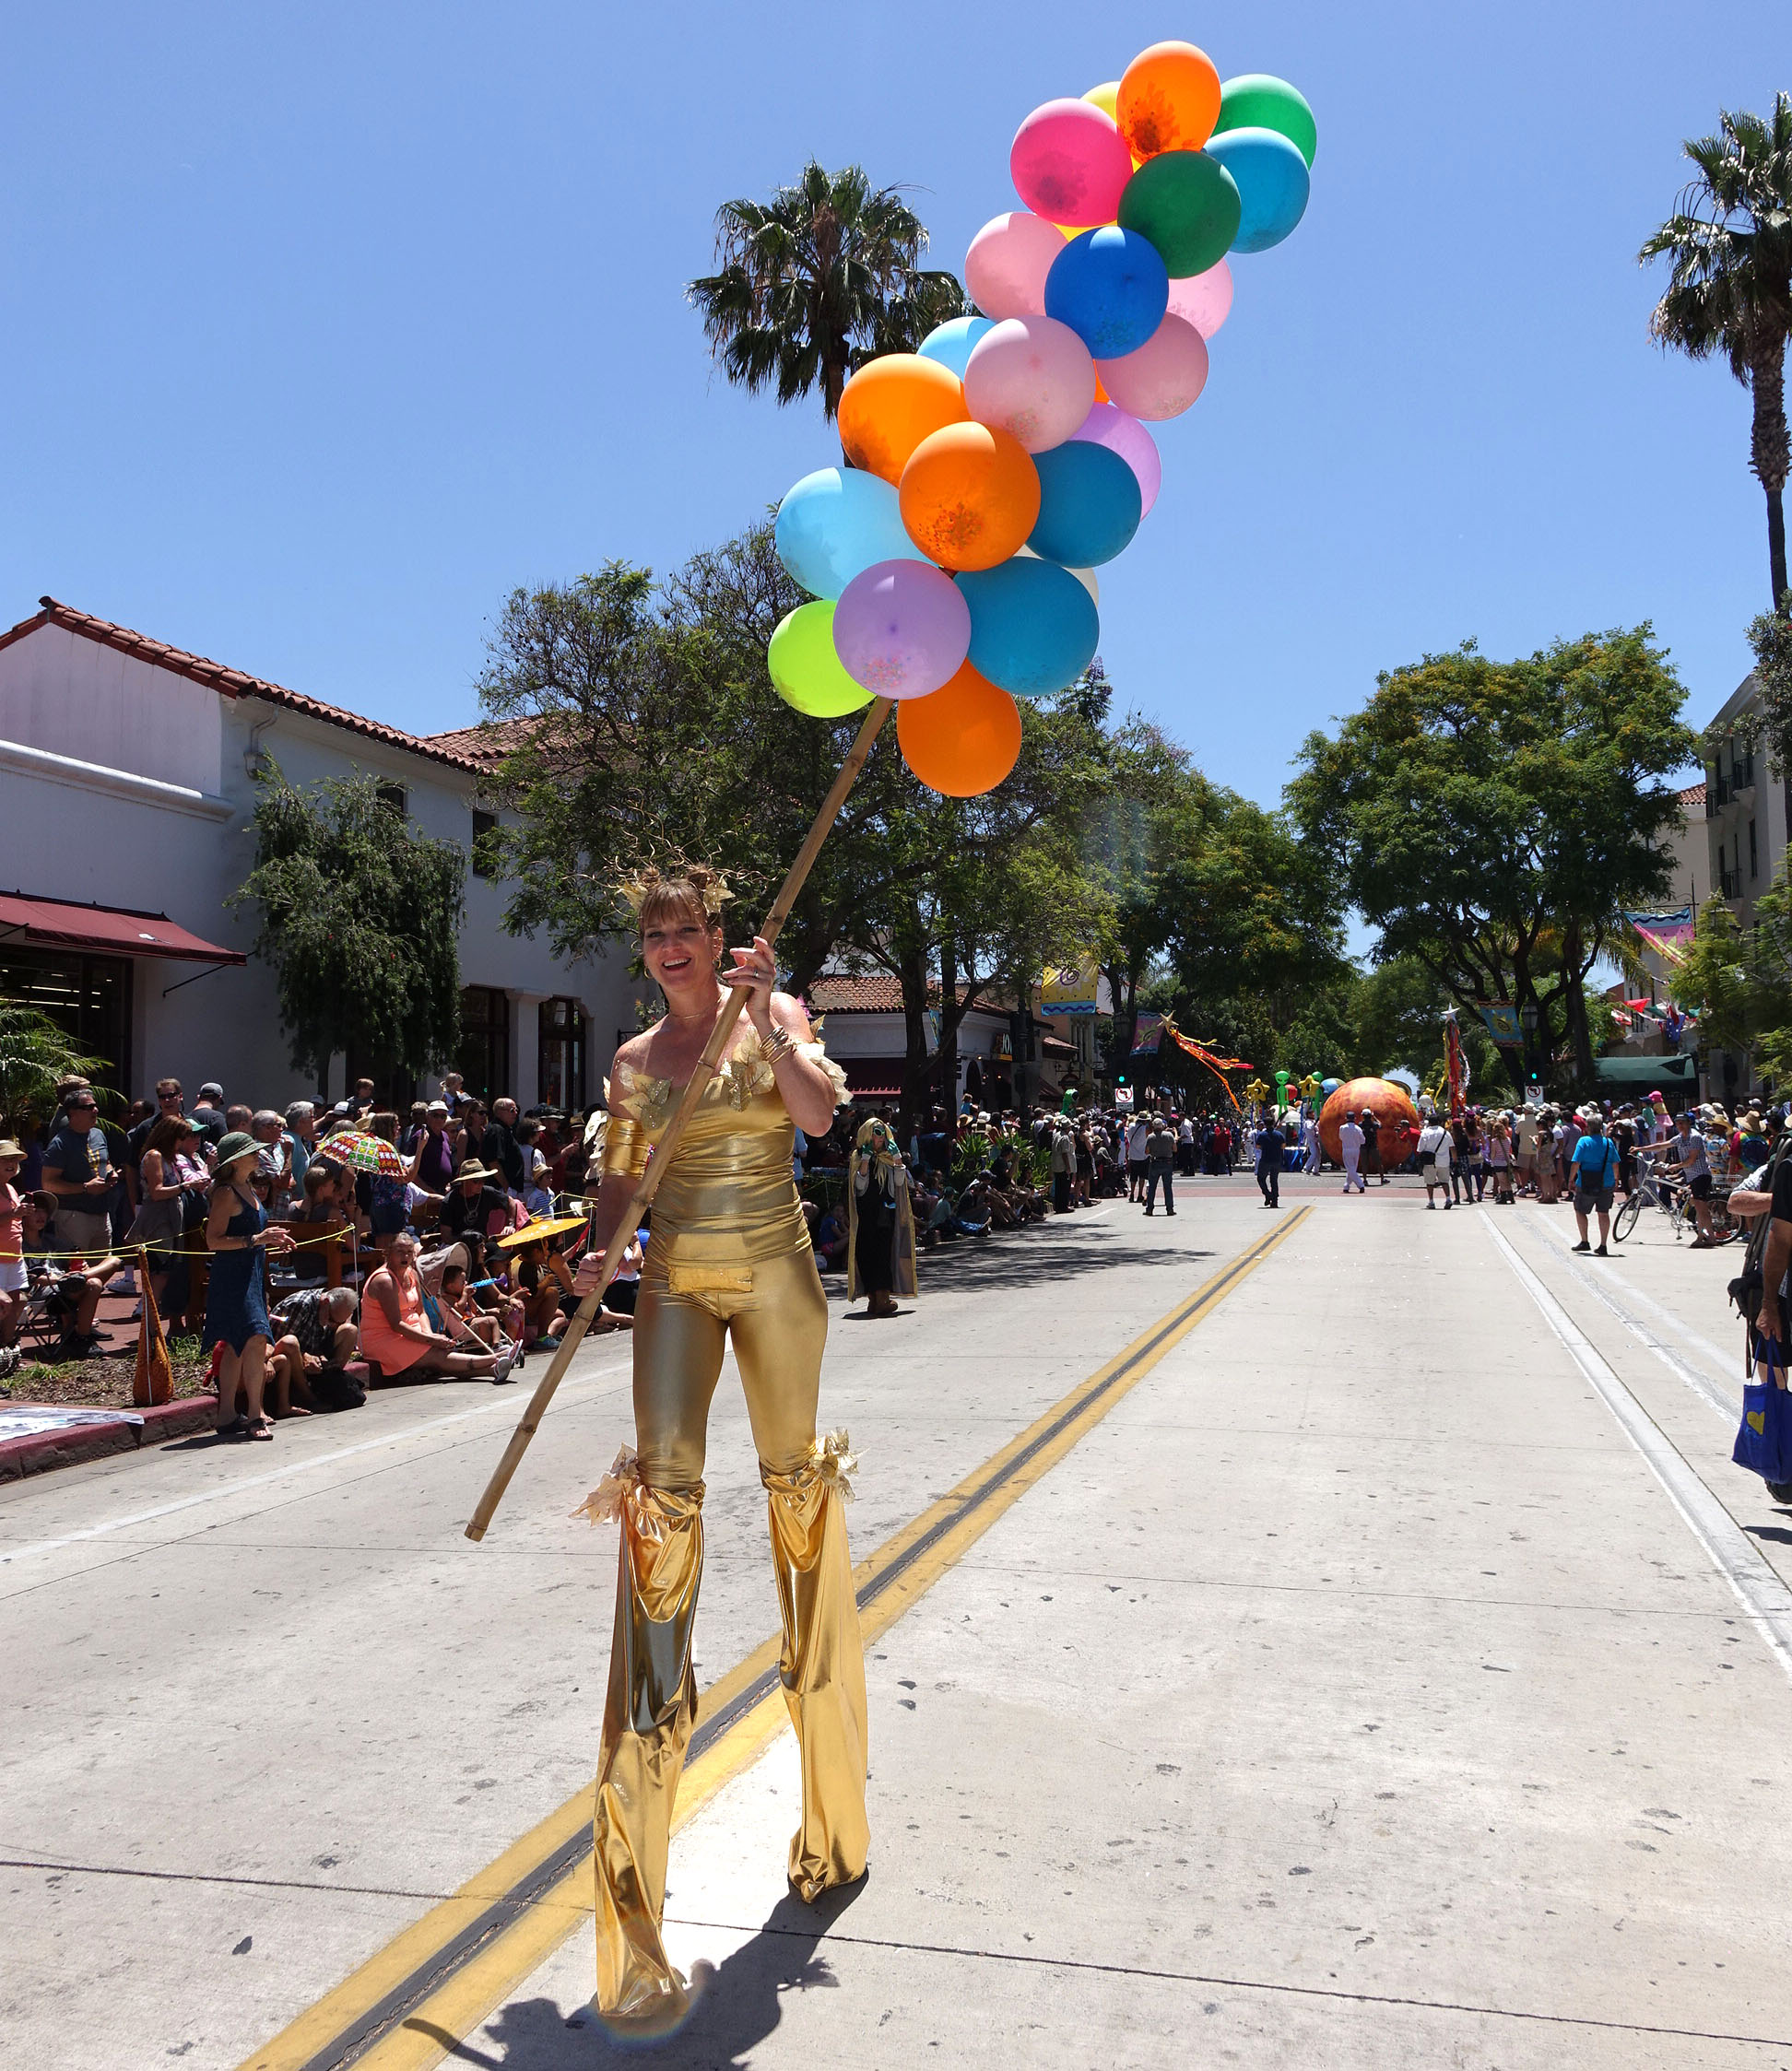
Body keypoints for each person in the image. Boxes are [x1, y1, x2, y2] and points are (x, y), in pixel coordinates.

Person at [568, 864, 865, 2029]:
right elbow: (618, 1186)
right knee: (662, 1518)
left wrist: (767, 1014)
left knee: (798, 1493)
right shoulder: (637, 1064)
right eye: (654, 934)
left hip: (781, 1276)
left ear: (722, 936)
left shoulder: (773, 1016)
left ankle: (833, 1813)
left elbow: (816, 1115)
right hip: (678, 1284)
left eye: (687, 929)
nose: (670, 947)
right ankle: (633, 1879)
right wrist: (598, 1255)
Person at [203, 1132, 297, 1440]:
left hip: (252, 1272)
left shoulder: (249, 1189)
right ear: (234, 1160)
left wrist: (271, 1240)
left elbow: (251, 1236)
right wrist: (256, 1240)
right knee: (253, 1338)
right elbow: (213, 1240)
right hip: (232, 1277)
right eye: (251, 1152)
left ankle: (228, 1413)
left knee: (240, 1342)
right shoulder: (226, 1193)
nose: (258, 1156)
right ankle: (255, 1414)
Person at [360, 1229, 515, 1382]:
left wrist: (429, 1335)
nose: (405, 1256)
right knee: (437, 1356)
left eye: (409, 1252)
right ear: (388, 1253)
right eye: (400, 1252)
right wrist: (430, 1340)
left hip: (412, 1332)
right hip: (384, 1340)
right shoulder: (384, 1281)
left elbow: (421, 1312)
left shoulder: (412, 1273)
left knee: (437, 1353)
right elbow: (396, 1325)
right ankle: (496, 1357)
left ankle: (491, 1370)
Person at [848, 1116, 918, 1314]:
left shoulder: (888, 1157)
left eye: (882, 1133)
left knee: (884, 1254)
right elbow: (859, 1188)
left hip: (885, 1214)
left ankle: (883, 1298)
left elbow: (899, 1183)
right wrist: (865, 1161)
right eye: (875, 1133)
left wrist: (897, 1160)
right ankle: (873, 1299)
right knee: (866, 1255)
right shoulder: (858, 1157)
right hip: (865, 1216)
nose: (879, 1138)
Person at [41, 1088, 121, 1263]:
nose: (95, 1110)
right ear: (72, 1113)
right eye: (88, 1107)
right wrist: (85, 1188)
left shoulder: (98, 1134)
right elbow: (48, 1183)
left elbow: (105, 1161)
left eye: (95, 1106)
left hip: (102, 1213)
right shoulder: (60, 1143)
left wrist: (111, 1172)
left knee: (101, 1266)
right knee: (75, 1273)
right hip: (74, 1216)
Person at [1661, 1107, 1719, 1246]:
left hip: (1700, 1176)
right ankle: (1710, 1238)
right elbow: (1663, 1145)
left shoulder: (1695, 1137)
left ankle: (1702, 1238)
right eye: (1678, 1123)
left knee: (1701, 1210)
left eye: (1683, 1123)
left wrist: (1677, 1166)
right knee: (1699, 1208)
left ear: (1688, 1123)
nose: (1680, 1125)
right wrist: (1640, 1149)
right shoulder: (1680, 1138)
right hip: (1692, 1177)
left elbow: (1691, 1160)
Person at [1570, 1110, 1619, 1255]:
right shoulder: (1609, 1143)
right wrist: (1616, 1180)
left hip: (1586, 1182)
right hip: (1607, 1181)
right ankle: (1603, 1244)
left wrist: (1571, 1179)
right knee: (1603, 1212)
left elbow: (1576, 1162)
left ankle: (1585, 1241)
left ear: (1588, 1127)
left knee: (1580, 1210)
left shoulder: (1584, 1141)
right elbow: (1616, 1163)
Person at [0, 1140, 25, 1346]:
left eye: (14, 1160)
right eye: (5, 1160)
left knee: (18, 1301)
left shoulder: (10, 1188)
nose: (11, 1163)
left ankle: (7, 1348)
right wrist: (13, 1214)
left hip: (15, 1256)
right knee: (2, 1304)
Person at [1416, 1114, 1453, 1208]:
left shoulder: (1425, 1133)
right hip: (1444, 1160)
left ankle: (1431, 1201)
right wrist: (1455, 1160)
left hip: (1429, 1161)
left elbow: (1420, 1149)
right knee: (1445, 1181)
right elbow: (1452, 1147)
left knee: (1430, 1182)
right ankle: (1448, 1199)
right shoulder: (1445, 1133)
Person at [1143, 1112, 1176, 1216]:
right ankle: (1169, 1208)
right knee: (1167, 1187)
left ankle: (1150, 1209)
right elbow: (1175, 1149)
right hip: (1167, 1162)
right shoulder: (1169, 1135)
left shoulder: (1150, 1137)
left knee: (1152, 1187)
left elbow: (1147, 1151)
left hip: (1155, 1162)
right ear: (1162, 1126)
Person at [1256, 1111, 1284, 1209]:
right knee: (1274, 1180)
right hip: (1276, 1159)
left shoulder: (1262, 1135)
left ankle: (1268, 1194)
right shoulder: (1279, 1134)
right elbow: (1283, 1146)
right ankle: (1275, 1200)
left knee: (1261, 1178)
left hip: (1266, 1159)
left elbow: (1258, 1146)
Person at [1048, 1117, 1076, 1215]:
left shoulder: (1056, 1135)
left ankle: (1058, 1206)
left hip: (1056, 1165)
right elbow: (1064, 1153)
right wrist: (1068, 1167)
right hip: (1062, 1166)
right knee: (1064, 1187)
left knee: (1059, 1186)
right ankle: (1063, 1206)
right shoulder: (1064, 1137)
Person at [1339, 1111, 1366, 1194]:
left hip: (1347, 1149)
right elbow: (1363, 1141)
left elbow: (1341, 1138)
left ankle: (1360, 1185)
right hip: (1356, 1150)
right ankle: (1346, 1186)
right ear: (1354, 1118)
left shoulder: (1342, 1128)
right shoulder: (1358, 1128)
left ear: (1346, 1118)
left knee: (1350, 1169)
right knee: (1352, 1168)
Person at [1361, 1104, 1387, 1185]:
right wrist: (1374, 1117)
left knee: (1364, 1163)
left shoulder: (1360, 1124)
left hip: (1364, 1146)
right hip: (1373, 1146)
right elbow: (1380, 1124)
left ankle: (1364, 1179)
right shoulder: (1374, 1124)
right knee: (1378, 1163)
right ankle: (1382, 1179)